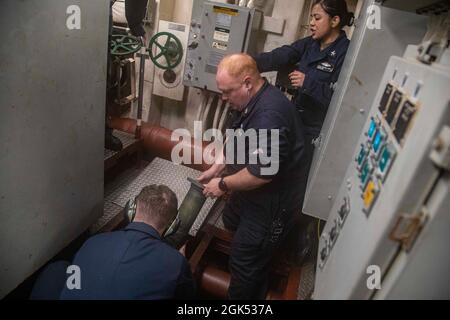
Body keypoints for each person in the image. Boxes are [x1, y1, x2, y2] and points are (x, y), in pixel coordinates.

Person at [199, 53, 308, 299]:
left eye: (227, 92)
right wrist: (219, 166)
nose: (223, 98)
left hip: (273, 200)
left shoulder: (270, 114)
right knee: (230, 220)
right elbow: (237, 134)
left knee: (245, 259)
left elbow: (262, 174)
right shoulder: (249, 101)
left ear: (248, 83)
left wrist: (224, 184)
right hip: (250, 191)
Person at [254, 0, 354, 171]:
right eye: (311, 18)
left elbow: (343, 102)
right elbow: (282, 55)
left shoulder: (347, 54)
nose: (311, 23)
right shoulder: (310, 43)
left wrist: (307, 83)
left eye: (317, 18)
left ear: (335, 21)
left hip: (315, 133)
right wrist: (249, 62)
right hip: (295, 120)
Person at [58, 184, 195, 300]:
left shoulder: (92, 242)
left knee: (57, 269)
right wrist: (179, 264)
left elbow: (74, 283)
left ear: (131, 208)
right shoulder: (175, 263)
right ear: (173, 226)